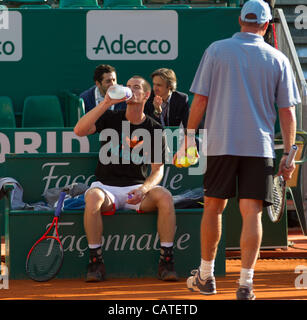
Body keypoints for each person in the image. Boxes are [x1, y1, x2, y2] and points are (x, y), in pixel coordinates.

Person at [174, 0, 300, 300]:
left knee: (213, 207)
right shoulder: (277, 58)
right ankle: (245, 284)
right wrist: (289, 154)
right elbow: (288, 113)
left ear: (240, 20)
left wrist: (189, 136)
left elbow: (200, 101)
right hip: (260, 147)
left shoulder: (216, 50)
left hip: (221, 144)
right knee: (252, 213)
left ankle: (206, 276)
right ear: (268, 26)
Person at [74, 75, 178, 283]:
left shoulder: (155, 128)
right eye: (128, 86)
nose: (131, 90)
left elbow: (158, 170)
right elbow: (79, 130)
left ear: (147, 95)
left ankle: (166, 260)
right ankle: (96, 261)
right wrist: (106, 103)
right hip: (106, 189)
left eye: (137, 87)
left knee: (165, 196)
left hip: (136, 190)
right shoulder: (110, 117)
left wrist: (143, 190)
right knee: (92, 197)